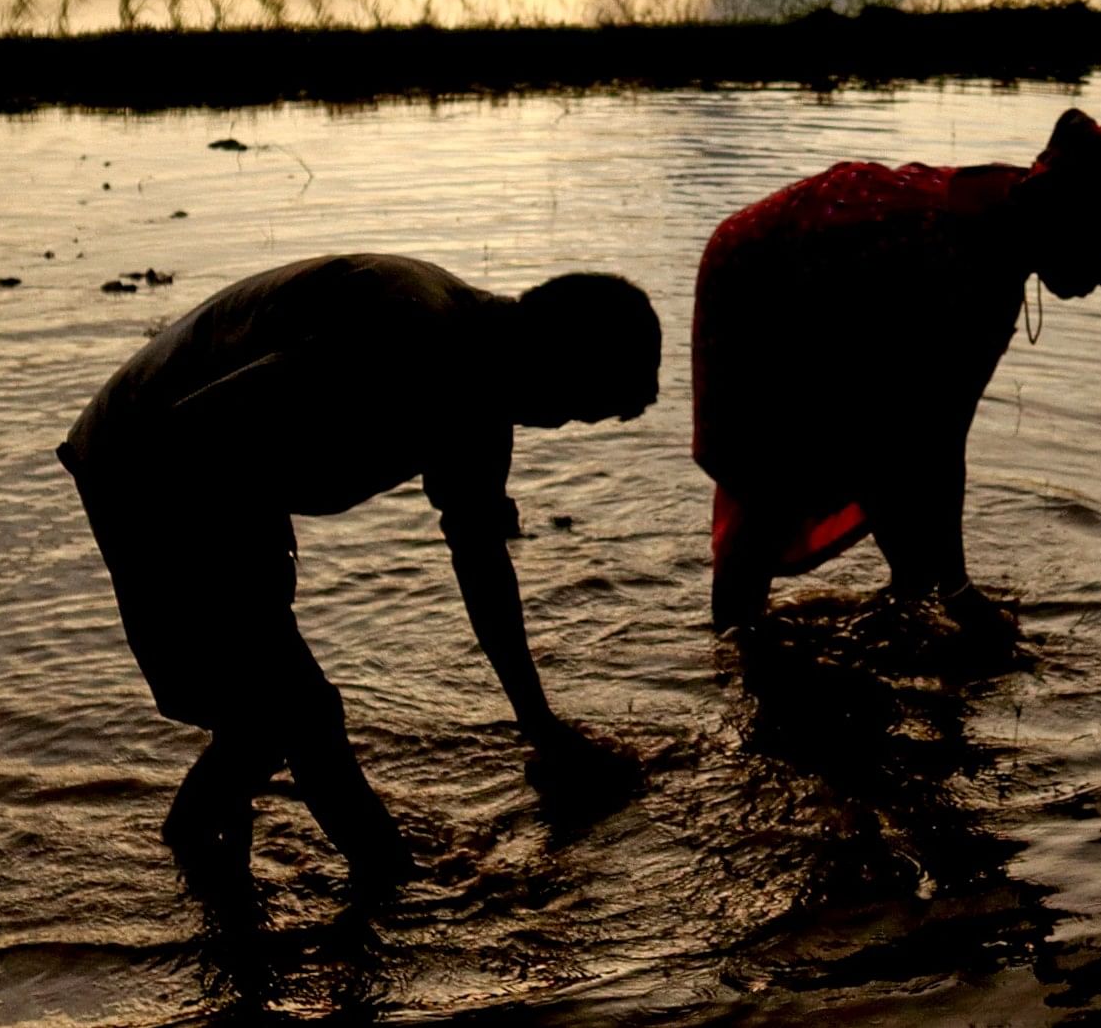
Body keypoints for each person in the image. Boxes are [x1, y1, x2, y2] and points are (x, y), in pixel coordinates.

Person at [57, 253, 658, 889]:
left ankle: (200, 864)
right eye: (573, 408)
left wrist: (538, 724)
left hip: (224, 475)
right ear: (556, 358)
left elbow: (482, 565)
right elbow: (196, 433)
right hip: (145, 457)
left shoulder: (483, 388)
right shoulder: (402, 337)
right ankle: (384, 887)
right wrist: (251, 588)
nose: (558, 423)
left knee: (260, 724)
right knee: (301, 712)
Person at [694, 108, 1101, 632]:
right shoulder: (968, 269)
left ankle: (903, 597)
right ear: (1069, 229)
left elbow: (916, 441)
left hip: (828, 281)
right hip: (761, 285)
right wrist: (958, 590)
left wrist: (943, 579)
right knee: (772, 480)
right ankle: (737, 643)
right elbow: (936, 445)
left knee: (875, 448)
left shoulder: (1017, 208)